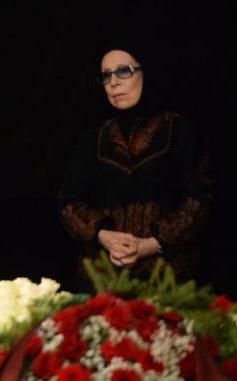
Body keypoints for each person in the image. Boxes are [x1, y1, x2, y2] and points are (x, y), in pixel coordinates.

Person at [58, 43, 211, 287]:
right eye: (106, 75)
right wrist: (104, 236)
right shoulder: (91, 140)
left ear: (146, 72)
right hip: (102, 282)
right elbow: (69, 204)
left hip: (169, 282)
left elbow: (199, 200)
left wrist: (152, 244)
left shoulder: (182, 132)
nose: (113, 82)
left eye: (124, 71)